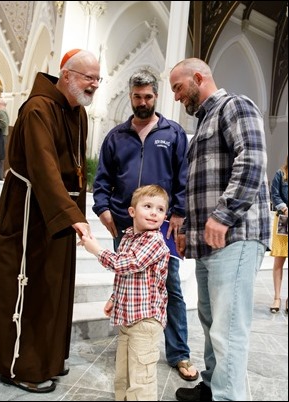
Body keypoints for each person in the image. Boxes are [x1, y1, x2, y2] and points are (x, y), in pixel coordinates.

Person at [0, 49, 101, 393]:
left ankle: (47, 358)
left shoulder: (78, 113)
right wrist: (70, 213)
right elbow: (42, 168)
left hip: (57, 214)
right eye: (89, 77)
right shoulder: (38, 108)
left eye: (98, 78)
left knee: (51, 291)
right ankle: (19, 365)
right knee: (24, 287)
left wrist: (76, 215)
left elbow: (75, 170)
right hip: (28, 213)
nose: (94, 84)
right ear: (67, 75)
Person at [169, 58, 271, 401]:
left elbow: (252, 159)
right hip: (209, 243)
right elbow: (202, 186)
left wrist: (224, 215)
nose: (177, 97)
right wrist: (188, 230)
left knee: (228, 329)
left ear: (199, 78)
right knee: (212, 322)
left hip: (236, 237)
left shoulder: (234, 106)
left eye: (179, 88)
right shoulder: (203, 125)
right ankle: (213, 388)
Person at [92, 69, 199, 381]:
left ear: (156, 96)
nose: (142, 102)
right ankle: (131, 345)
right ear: (130, 97)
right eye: (137, 97)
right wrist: (103, 211)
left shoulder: (173, 133)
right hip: (125, 227)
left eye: (148, 96)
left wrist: (178, 214)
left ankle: (178, 353)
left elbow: (183, 177)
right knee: (126, 285)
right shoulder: (115, 137)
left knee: (171, 288)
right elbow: (102, 181)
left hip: (162, 228)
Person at [81, 184, 171, 401]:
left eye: (160, 209)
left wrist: (97, 250)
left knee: (142, 378)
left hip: (146, 320)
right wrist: (114, 298)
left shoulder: (155, 241)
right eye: (147, 206)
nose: (154, 213)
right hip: (128, 318)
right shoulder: (129, 237)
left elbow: (128, 264)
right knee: (123, 374)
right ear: (132, 211)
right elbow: (125, 276)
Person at [269, 156, 288, 314]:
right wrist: (285, 208)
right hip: (283, 221)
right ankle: (277, 297)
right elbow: (274, 195)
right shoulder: (280, 174)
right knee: (279, 260)